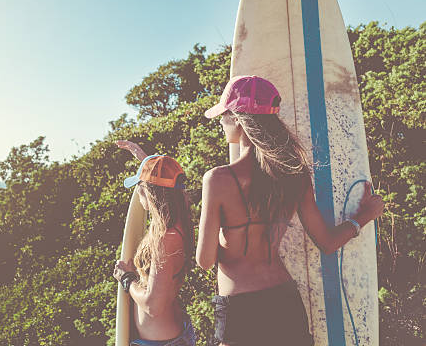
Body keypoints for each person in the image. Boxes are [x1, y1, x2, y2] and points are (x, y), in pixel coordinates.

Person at [196, 75, 385, 346]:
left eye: (224, 115)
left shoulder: (217, 180)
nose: (221, 122)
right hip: (284, 299)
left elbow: (204, 261)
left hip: (241, 307)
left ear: (238, 117)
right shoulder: (293, 175)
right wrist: (364, 216)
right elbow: (328, 242)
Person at [113, 140, 197, 346]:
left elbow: (152, 306)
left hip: (163, 342)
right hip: (166, 337)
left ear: (148, 192)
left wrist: (126, 279)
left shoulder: (166, 238)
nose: (138, 192)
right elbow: (168, 184)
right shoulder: (178, 222)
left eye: (140, 186)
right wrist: (146, 161)